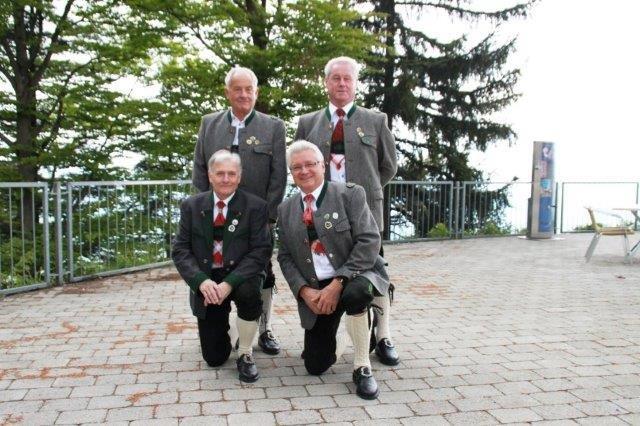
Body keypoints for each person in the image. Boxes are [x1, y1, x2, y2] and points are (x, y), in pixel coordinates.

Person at [295, 56, 399, 366]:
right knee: (330, 269)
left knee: (375, 272)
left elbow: (388, 166)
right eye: (336, 78)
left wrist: (361, 196)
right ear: (326, 83)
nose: (342, 83)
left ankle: (383, 335)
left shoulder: (376, 120)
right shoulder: (308, 123)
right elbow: (301, 166)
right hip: (324, 216)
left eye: (347, 78)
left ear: (355, 84)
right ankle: (340, 328)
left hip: (366, 213)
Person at [277, 141, 390, 400]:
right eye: (296, 167)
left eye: (310, 164)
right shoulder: (286, 209)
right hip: (317, 289)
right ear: (291, 173)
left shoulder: (350, 194)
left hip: (354, 276)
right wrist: (304, 291)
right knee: (315, 365)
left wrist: (338, 283)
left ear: (323, 166)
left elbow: (369, 240)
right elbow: (284, 256)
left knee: (356, 294)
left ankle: (362, 366)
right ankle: (355, 330)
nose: (304, 171)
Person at [192, 66, 286, 355]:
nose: (243, 94)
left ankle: (265, 328)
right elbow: (199, 170)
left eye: (249, 89)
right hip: (217, 215)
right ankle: (228, 328)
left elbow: (278, 177)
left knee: (263, 273)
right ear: (227, 92)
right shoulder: (209, 123)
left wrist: (269, 218)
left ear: (256, 93)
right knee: (218, 268)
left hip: (258, 220)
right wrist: (202, 213)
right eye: (237, 89)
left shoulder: (273, 127)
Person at [173, 150, 272, 383]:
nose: (226, 179)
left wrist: (229, 283)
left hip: (241, 274)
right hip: (208, 277)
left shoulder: (256, 206)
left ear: (239, 177)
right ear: (210, 176)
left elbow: (261, 251)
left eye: (231, 174)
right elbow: (180, 250)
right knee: (215, 358)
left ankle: (245, 351)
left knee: (249, 293)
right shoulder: (191, 206)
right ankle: (229, 331)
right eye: (220, 173)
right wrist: (201, 282)